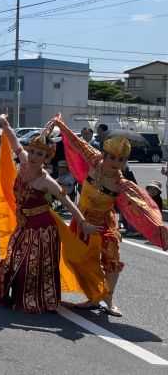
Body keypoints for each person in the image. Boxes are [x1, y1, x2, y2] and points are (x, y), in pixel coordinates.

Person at [48, 114, 168, 316]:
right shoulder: (94, 160)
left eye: (121, 159)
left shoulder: (122, 184)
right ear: (104, 155)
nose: (116, 162)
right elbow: (77, 143)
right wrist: (61, 125)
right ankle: (92, 296)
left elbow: (145, 208)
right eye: (112, 157)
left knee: (112, 260)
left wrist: (161, 230)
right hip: (82, 219)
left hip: (104, 224)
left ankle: (109, 300)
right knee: (78, 259)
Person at [0, 114, 97, 313]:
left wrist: (83, 223)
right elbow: (15, 143)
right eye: (32, 151)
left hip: (42, 230)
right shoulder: (23, 164)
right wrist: (5, 124)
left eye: (40, 154)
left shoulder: (47, 181)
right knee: (14, 260)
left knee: (32, 266)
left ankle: (37, 299)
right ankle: (17, 295)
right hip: (23, 225)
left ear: (47, 157)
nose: (33, 156)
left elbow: (67, 202)